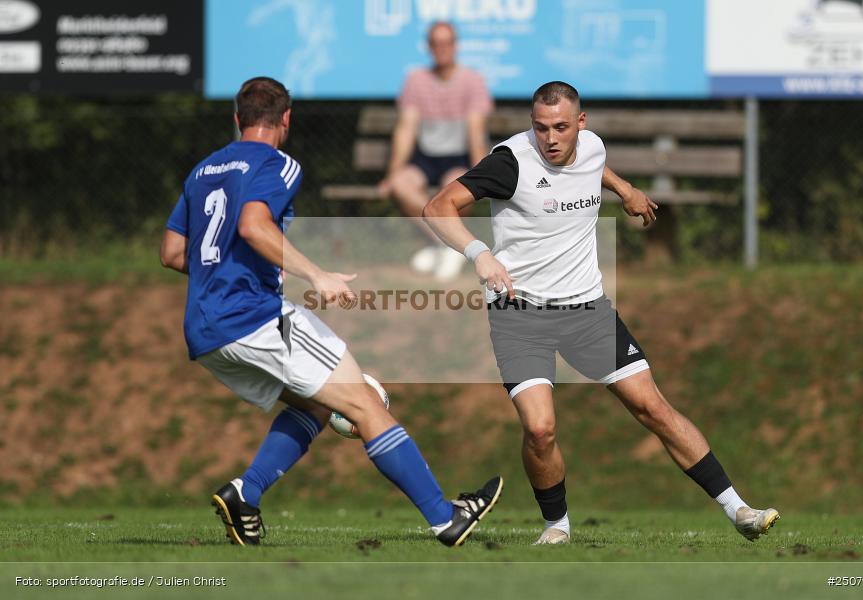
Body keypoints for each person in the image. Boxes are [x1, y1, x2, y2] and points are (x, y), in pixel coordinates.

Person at [422, 81, 779, 545]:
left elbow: (593, 166)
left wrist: (624, 188)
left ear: (581, 124)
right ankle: (557, 526)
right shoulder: (509, 163)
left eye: (561, 128)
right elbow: (437, 207)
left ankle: (740, 511)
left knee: (653, 408)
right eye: (540, 127)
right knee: (540, 429)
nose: (550, 138)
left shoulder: (591, 148)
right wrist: (478, 254)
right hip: (520, 314)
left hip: (586, 309)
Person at [160, 76, 502, 547]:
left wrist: (221, 278)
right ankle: (446, 518)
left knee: (318, 404)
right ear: (286, 120)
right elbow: (254, 226)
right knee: (363, 402)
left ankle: (246, 492)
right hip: (254, 317)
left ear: (237, 119)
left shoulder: (202, 171)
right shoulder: (278, 163)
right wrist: (315, 275)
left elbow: (174, 253)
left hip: (204, 329)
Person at [378, 21, 493, 281]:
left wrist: (482, 176)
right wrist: (392, 174)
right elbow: (406, 129)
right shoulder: (415, 80)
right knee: (401, 184)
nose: (442, 48)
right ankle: (449, 245)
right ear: (429, 47)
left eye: (447, 42)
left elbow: (476, 134)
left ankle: (444, 247)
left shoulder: (473, 81)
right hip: (425, 157)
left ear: (456, 45)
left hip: (458, 156)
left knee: (453, 187)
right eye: (436, 43)